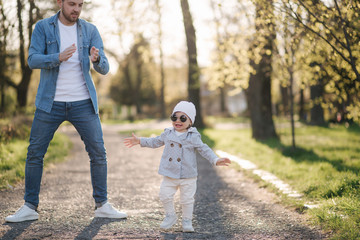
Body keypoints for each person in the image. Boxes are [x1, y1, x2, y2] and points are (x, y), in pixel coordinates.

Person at [5, 0, 127, 223]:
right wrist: (57, 57)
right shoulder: (43, 27)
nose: (76, 10)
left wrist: (97, 59)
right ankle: (29, 206)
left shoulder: (90, 30)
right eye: (72, 4)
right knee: (35, 153)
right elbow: (32, 60)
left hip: (83, 102)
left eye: (80, 5)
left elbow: (106, 68)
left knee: (98, 153)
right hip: (50, 103)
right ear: (59, 3)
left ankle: (102, 205)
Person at [124, 101, 231, 232]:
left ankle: (187, 221)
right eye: (174, 117)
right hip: (169, 173)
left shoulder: (193, 136)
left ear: (190, 121)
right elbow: (155, 141)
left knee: (187, 200)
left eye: (183, 118)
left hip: (188, 175)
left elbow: (204, 149)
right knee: (164, 195)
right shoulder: (168, 133)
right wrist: (140, 140)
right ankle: (170, 216)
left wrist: (215, 159)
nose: (178, 121)